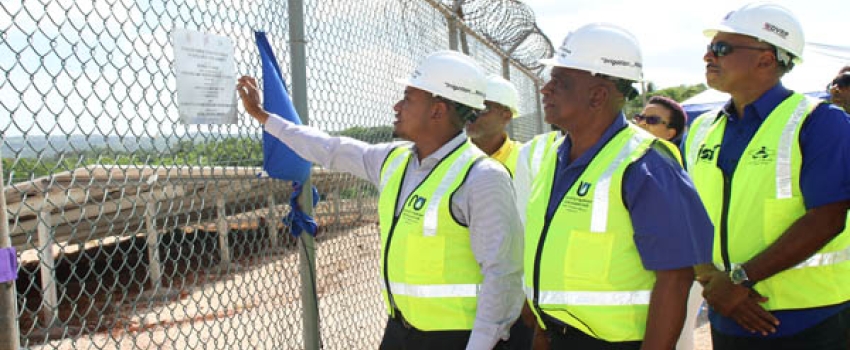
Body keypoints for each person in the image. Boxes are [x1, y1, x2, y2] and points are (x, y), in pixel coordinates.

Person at [237, 50, 525, 350]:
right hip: (400, 332)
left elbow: (503, 273)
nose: (397, 106)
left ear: (437, 111)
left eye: (408, 98)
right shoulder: (394, 160)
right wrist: (264, 117)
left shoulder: (481, 176)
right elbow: (329, 148)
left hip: (456, 338)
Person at [524, 23, 714, 349]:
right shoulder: (553, 158)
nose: (545, 89)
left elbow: (675, 278)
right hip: (558, 336)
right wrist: (543, 330)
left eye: (560, 82)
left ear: (597, 95)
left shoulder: (646, 164)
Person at [683, 3, 850, 349]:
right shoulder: (701, 128)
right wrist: (712, 280)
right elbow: (689, 213)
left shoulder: (820, 122)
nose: (708, 56)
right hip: (727, 313)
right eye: (710, 47)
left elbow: (828, 218)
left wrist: (739, 280)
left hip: (811, 316)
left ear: (766, 59)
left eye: (722, 48)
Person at [466, 75, 522, 175]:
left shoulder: (523, 158)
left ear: (506, 116)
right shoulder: (451, 154)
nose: (471, 114)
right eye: (469, 107)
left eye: (483, 108)